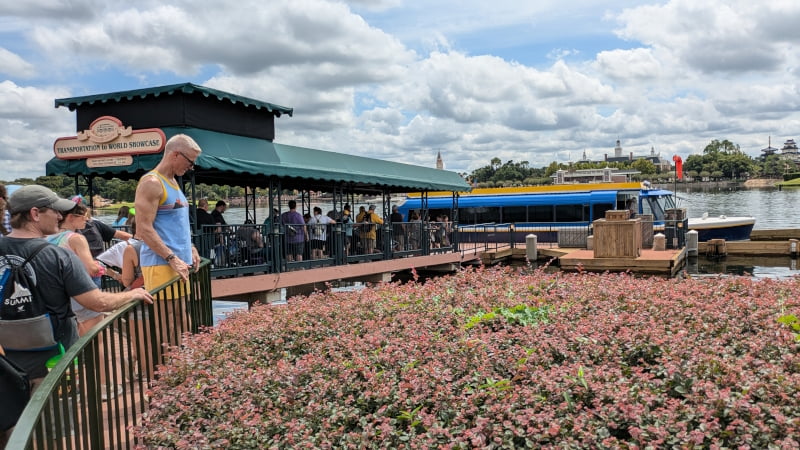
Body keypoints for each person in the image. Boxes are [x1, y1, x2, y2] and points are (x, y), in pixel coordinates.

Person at [0, 185, 153, 442]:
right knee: (54, 431)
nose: (60, 217)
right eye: (55, 211)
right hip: (53, 359)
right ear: (35, 214)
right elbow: (96, 302)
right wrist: (132, 294)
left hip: (7, 361)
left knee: (12, 430)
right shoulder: (58, 255)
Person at [46, 202, 106, 335]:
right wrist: (100, 267)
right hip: (80, 291)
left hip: (57, 294)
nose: (87, 219)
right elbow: (91, 269)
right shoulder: (76, 238)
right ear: (71, 218)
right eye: (83, 216)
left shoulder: (47, 238)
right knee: (95, 337)